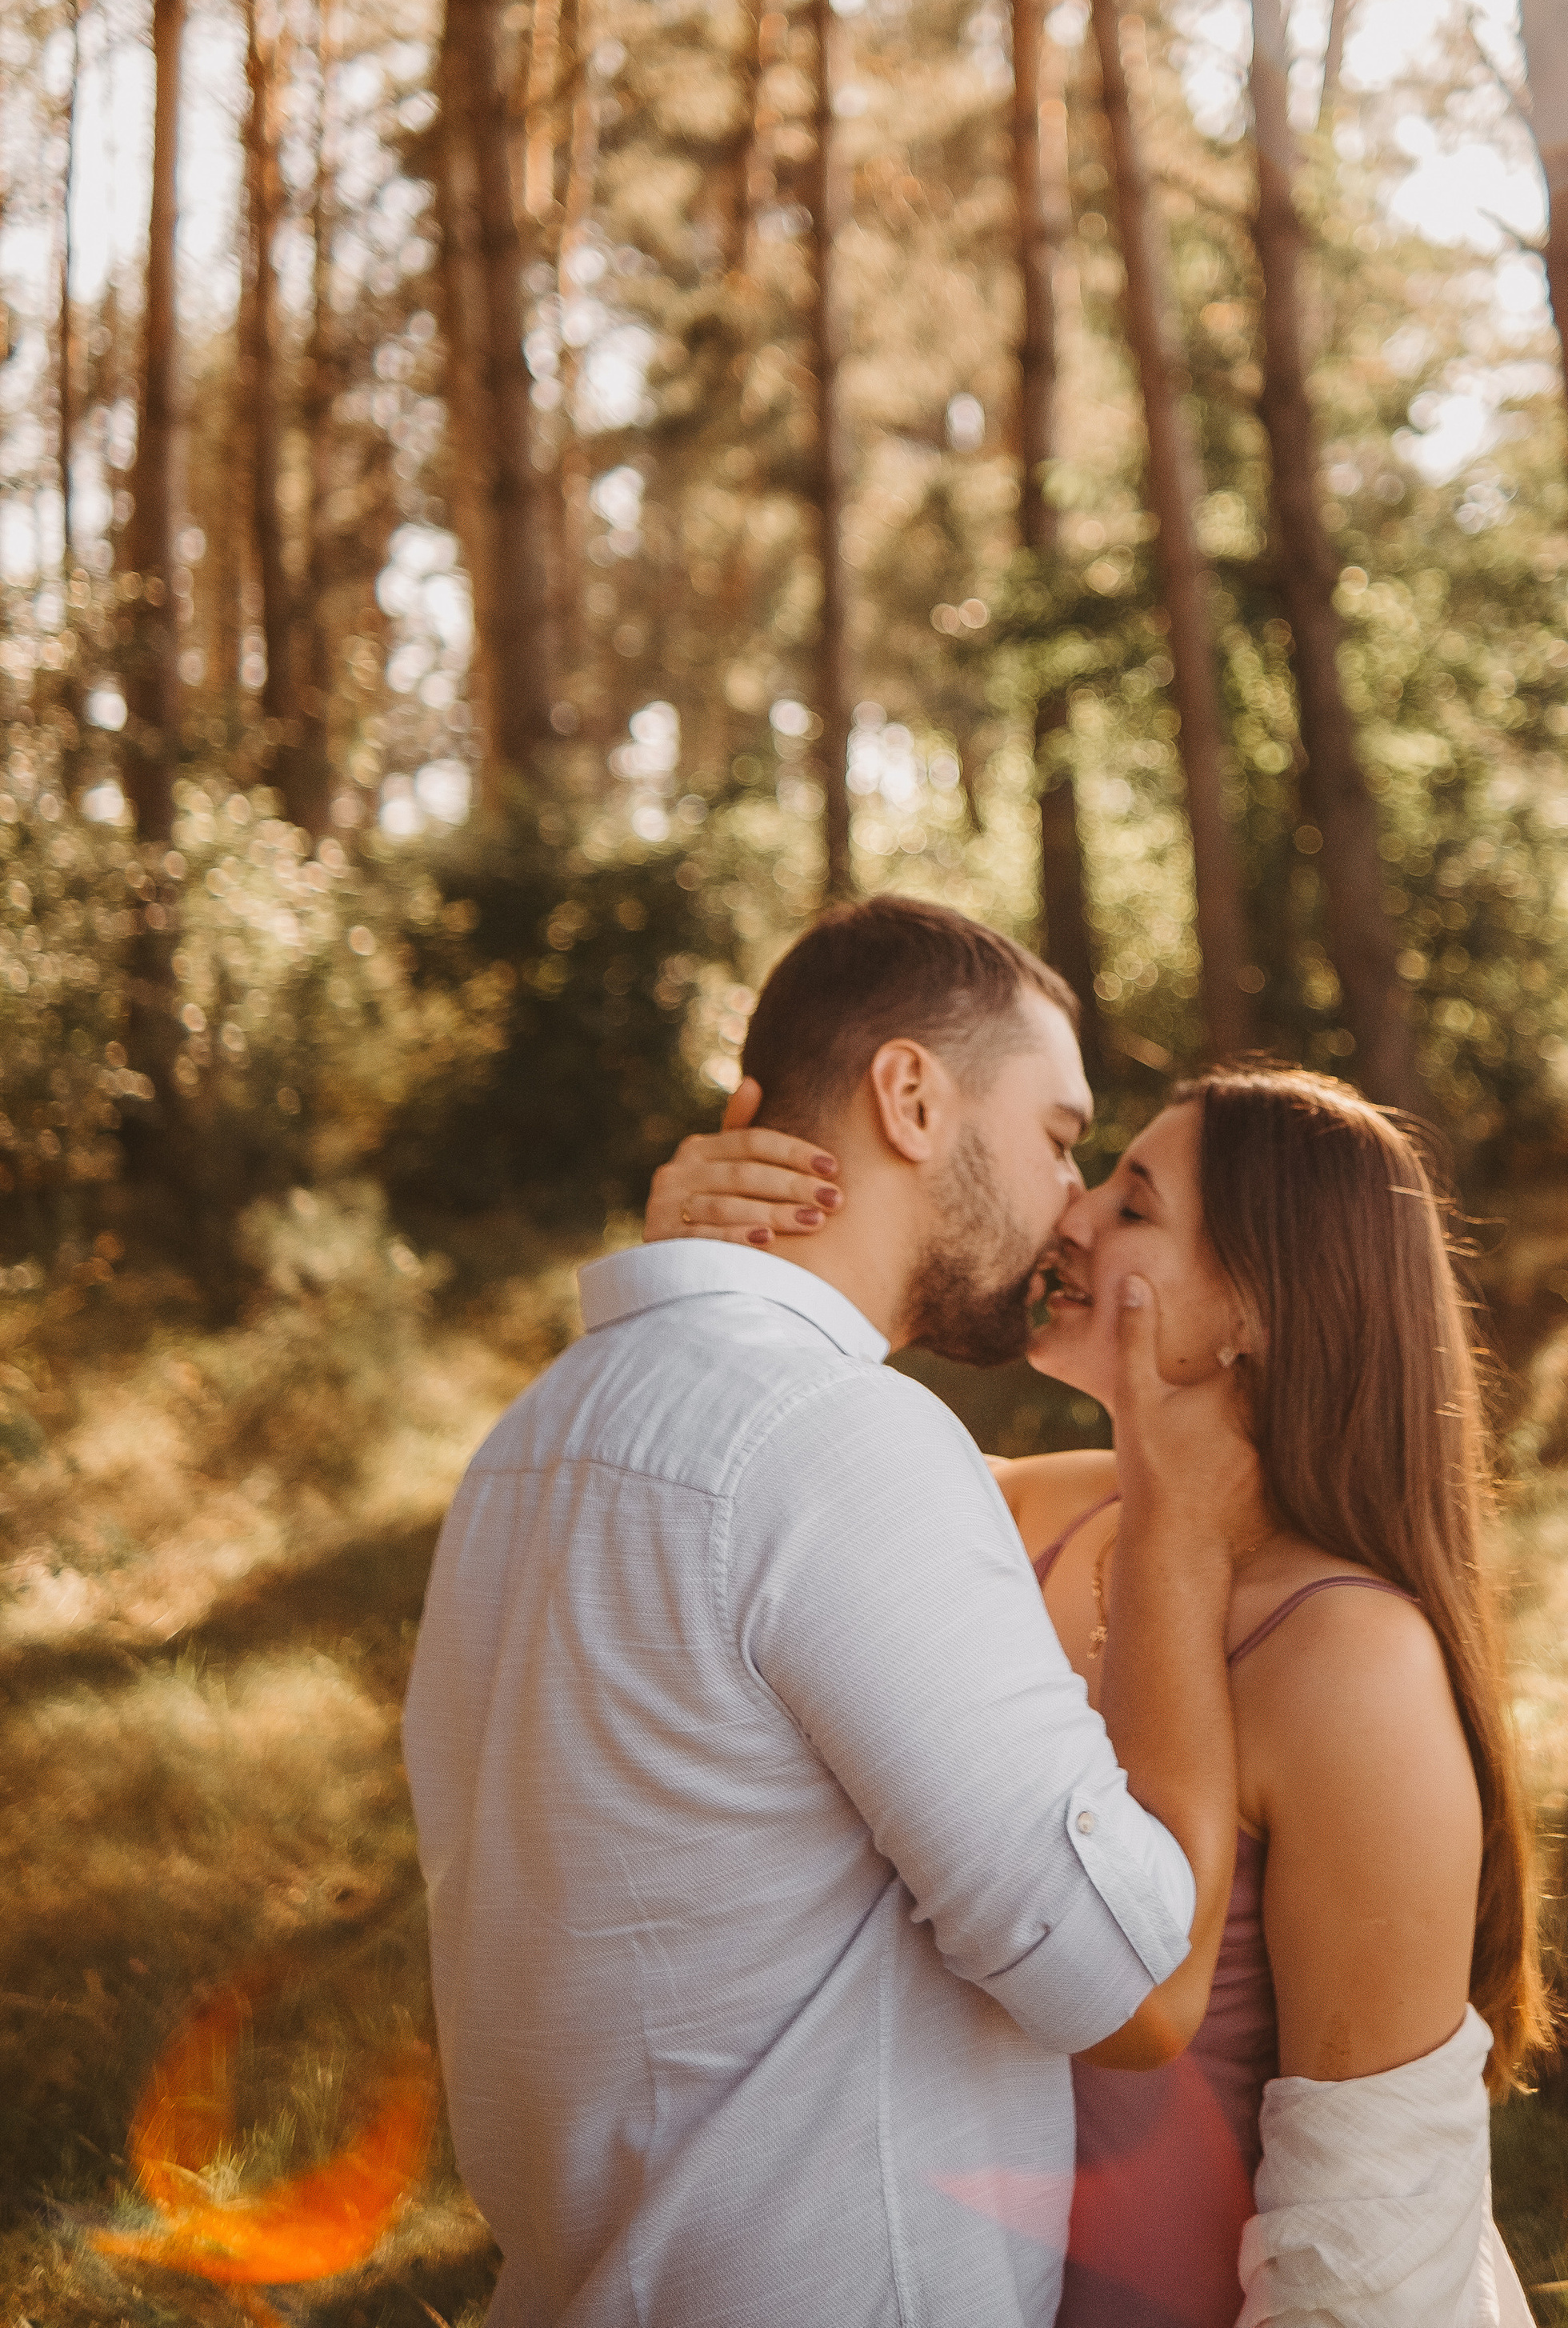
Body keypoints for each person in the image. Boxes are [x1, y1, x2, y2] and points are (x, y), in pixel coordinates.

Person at [404, 898, 1261, 2328]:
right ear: (912, 1098)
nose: (1070, 1203)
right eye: (1059, 1136)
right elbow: (1131, 1988)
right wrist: (1178, 1533)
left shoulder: (531, 1437)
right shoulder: (840, 1439)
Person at [662, 1060, 1546, 2328]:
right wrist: (710, 1272)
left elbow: (1374, 2243)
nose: (1070, 1216)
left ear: (1255, 1311)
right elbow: (752, 1473)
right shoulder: (1022, 1511)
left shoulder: (1351, 1661)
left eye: (1134, 1205)